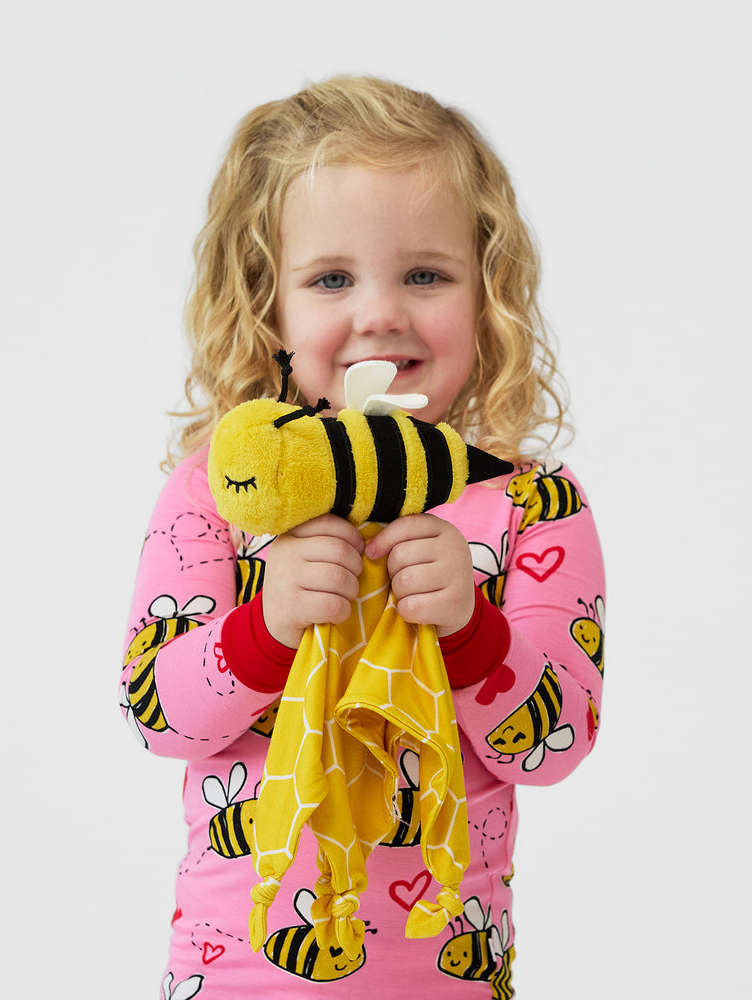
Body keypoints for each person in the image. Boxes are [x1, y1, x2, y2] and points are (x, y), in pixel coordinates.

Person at [121, 76, 605, 999]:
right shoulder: (219, 495)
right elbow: (158, 714)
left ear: (488, 292)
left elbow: (556, 745)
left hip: (450, 980)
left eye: (425, 274)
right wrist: (265, 628)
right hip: (237, 981)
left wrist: (472, 630)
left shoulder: (532, 505)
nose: (381, 313)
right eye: (332, 279)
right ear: (268, 307)